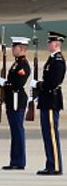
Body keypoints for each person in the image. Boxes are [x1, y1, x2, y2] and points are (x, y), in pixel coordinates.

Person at [31, 31, 66, 175]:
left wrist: (39, 85)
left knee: (51, 135)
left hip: (52, 100)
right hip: (47, 100)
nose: (48, 44)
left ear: (57, 44)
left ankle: (56, 166)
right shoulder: (52, 59)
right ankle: (50, 164)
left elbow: (53, 82)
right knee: (47, 134)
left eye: (50, 42)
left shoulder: (58, 60)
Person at [0, 37, 31, 170]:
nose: (13, 49)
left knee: (18, 131)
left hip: (17, 100)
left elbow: (18, 84)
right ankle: (15, 160)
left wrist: (5, 84)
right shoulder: (16, 64)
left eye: (15, 47)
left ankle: (19, 161)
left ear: (22, 49)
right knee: (14, 132)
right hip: (12, 100)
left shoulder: (23, 65)